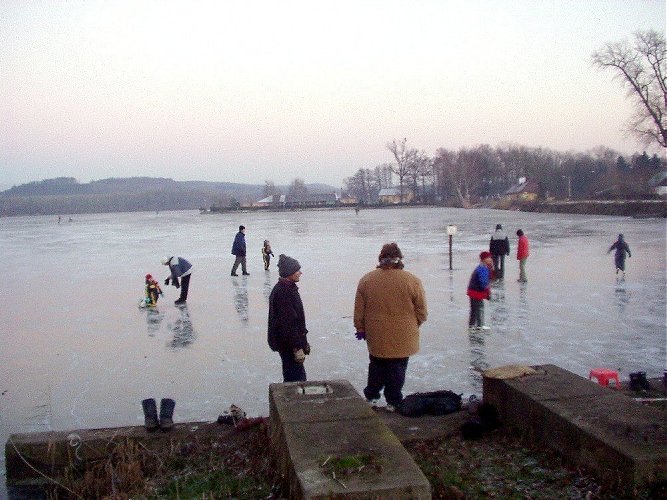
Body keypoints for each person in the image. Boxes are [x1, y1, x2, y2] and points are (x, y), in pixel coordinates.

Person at [354, 243, 427, 411]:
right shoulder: (412, 281)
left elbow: (359, 310)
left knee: (377, 365)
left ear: (381, 259)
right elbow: (422, 311)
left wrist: (360, 328)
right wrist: (413, 325)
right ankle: (393, 401)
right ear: (399, 259)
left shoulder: (367, 280)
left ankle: (372, 396)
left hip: (376, 333)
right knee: (398, 368)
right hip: (404, 334)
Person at [268, 254, 310, 382]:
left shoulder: (287, 288)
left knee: (295, 377)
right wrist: (297, 347)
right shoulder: (283, 292)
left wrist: (303, 342)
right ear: (289, 272)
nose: (300, 273)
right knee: (296, 380)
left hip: (289, 344)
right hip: (288, 345)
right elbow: (288, 324)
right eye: (297, 270)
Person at [467, 251, 493, 330]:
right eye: (488, 258)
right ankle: (479, 325)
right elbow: (483, 282)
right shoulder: (483, 268)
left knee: (474, 309)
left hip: (473, 291)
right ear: (484, 259)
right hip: (477, 292)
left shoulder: (482, 267)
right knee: (479, 308)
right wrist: (486, 292)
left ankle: (472, 325)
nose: (490, 259)